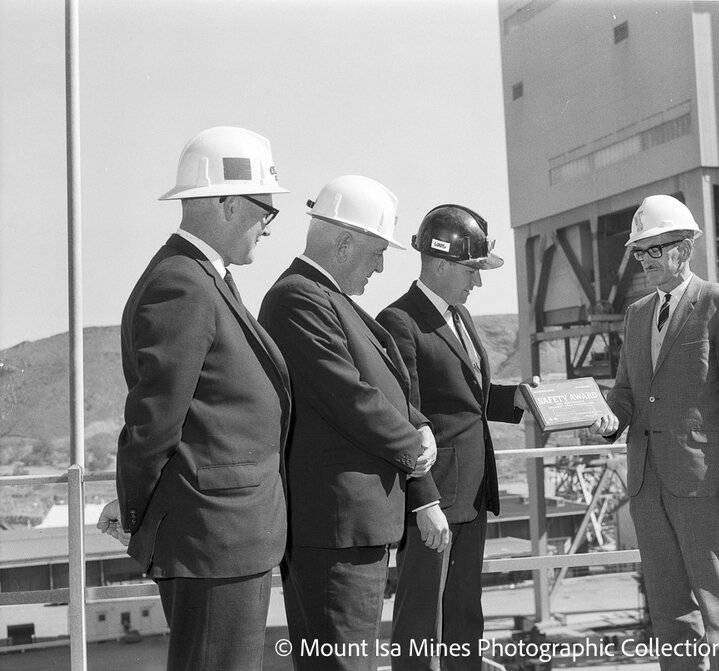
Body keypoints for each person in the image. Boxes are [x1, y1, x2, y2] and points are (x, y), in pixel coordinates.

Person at [96, 126, 292, 671]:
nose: (268, 227)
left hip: (229, 535)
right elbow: (155, 424)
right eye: (265, 210)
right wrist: (136, 511)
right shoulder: (181, 285)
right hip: (213, 539)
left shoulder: (206, 278)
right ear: (227, 203)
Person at [257, 175, 440, 671]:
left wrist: (419, 423)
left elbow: (385, 385)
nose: (381, 266)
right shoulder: (298, 299)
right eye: (377, 252)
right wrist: (415, 446)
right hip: (335, 533)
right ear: (343, 242)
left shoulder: (328, 299)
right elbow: (349, 396)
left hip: (352, 529)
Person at [376, 204, 546, 671]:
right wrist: (423, 501)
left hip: (471, 494)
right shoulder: (399, 323)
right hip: (434, 500)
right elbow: (403, 419)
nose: (477, 282)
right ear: (441, 264)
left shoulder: (459, 316)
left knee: (464, 617)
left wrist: (526, 399)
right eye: (472, 270)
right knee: (420, 622)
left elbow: (472, 398)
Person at [597, 194, 719, 671]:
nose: (645, 261)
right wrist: (608, 415)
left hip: (700, 479)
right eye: (639, 251)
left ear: (685, 247)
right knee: (668, 605)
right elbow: (627, 392)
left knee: (716, 600)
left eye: (654, 249)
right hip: (647, 482)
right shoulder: (637, 314)